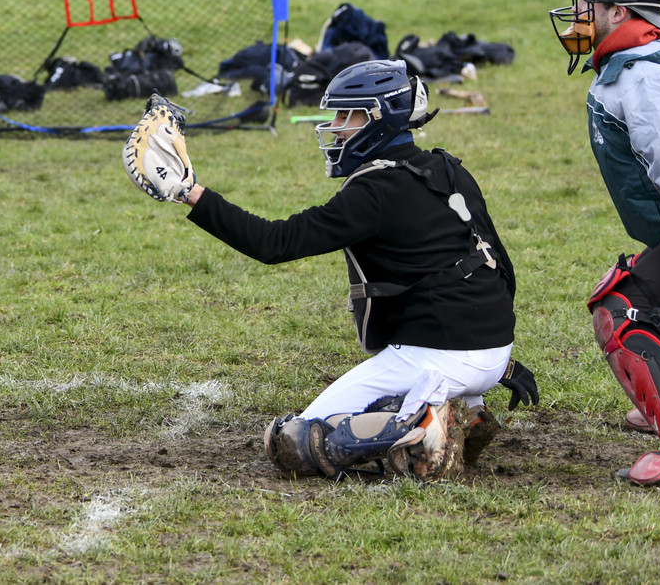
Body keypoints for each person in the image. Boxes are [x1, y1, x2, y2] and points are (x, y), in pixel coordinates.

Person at [136, 60, 535, 479]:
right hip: (493, 349)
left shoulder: (372, 191)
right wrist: (495, 358)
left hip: (440, 354)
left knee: (290, 441)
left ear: (382, 118)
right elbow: (499, 263)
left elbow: (274, 243)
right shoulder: (448, 167)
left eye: (350, 115)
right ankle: (465, 405)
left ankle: (423, 431)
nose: (338, 126)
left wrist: (190, 193)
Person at [548, 0, 660, 484]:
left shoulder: (647, 79)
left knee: (624, 304)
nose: (579, 14)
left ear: (621, 12)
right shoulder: (643, 60)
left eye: (588, 3)